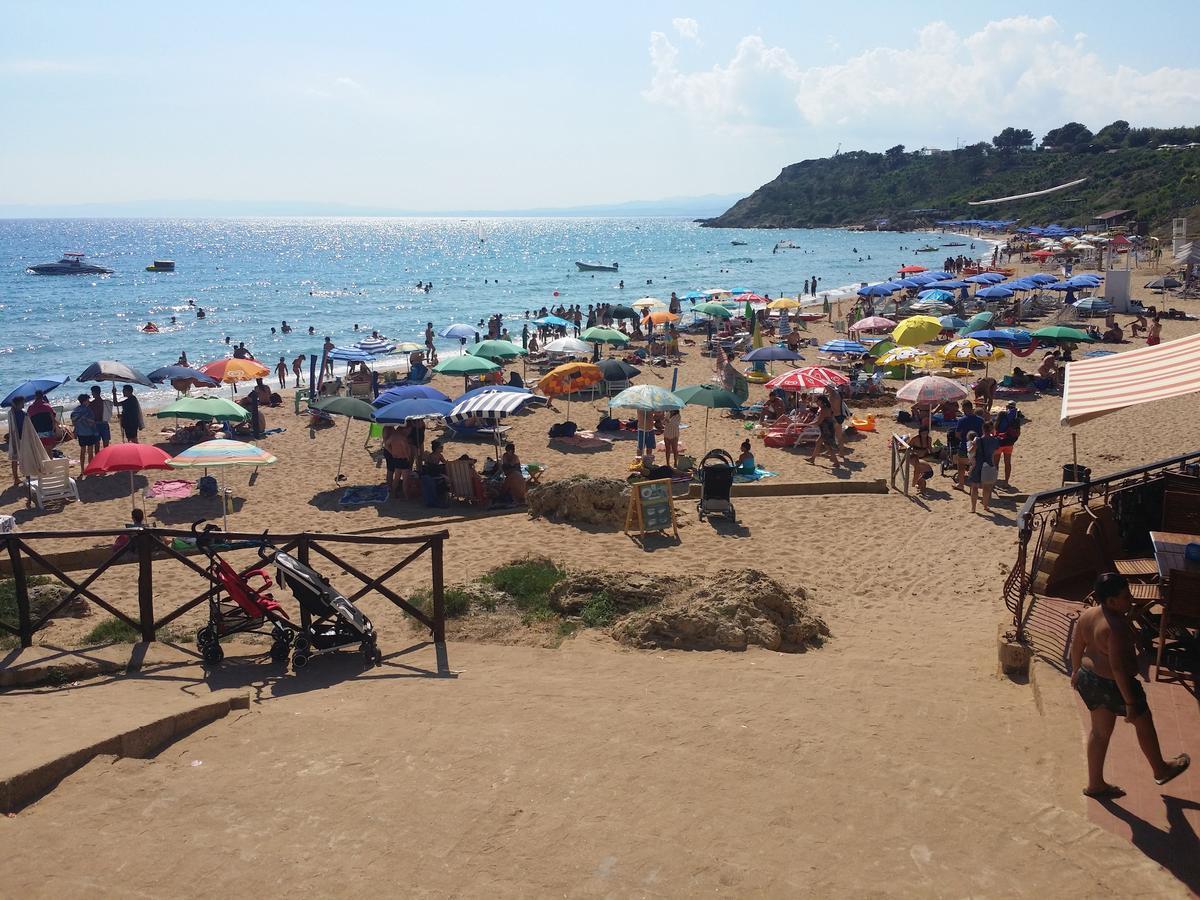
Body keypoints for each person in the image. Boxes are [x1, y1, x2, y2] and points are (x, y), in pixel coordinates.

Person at [1070, 573, 1190, 798]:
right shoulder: (1115, 628)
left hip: (1089, 678)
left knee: (1099, 732)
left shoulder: (1087, 615)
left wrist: (1076, 671)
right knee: (1143, 721)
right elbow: (1117, 668)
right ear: (1111, 601)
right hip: (1114, 685)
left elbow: (1077, 647)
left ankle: (1095, 784)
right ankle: (1161, 769)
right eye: (1125, 597)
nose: (1131, 600)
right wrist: (1130, 703)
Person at [965, 422, 1001, 514]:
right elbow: (995, 452)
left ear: (983, 430)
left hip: (978, 464)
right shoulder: (995, 440)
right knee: (987, 488)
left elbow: (971, 451)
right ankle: (985, 506)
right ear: (991, 429)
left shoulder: (978, 440)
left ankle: (973, 508)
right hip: (989, 464)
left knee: (975, 487)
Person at [807, 395, 845, 468]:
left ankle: (836, 463)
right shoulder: (827, 408)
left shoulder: (824, 410)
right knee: (818, 442)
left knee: (827, 446)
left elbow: (818, 421)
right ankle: (812, 458)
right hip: (827, 428)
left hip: (826, 430)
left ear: (821, 401)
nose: (816, 402)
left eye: (817, 400)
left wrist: (808, 424)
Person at [954, 401, 983, 489]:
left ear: (966, 408)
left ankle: (961, 484)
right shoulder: (980, 420)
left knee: (961, 464)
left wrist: (963, 439)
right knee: (977, 465)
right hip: (978, 446)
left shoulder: (962, 420)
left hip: (964, 445)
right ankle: (978, 483)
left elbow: (957, 434)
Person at [71, 393, 99, 473]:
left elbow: (74, 422)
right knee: (90, 452)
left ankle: (82, 469)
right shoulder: (88, 410)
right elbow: (92, 422)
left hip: (81, 434)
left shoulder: (75, 410)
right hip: (89, 433)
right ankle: (90, 469)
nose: (89, 402)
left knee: (82, 451)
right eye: (88, 400)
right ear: (84, 401)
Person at [994, 402, 1021, 482]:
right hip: (1009, 443)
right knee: (1007, 463)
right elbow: (1018, 433)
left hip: (999, 442)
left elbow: (995, 428)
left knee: (996, 463)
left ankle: (994, 480)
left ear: (1006, 407)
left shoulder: (1001, 415)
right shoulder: (1016, 419)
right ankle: (1006, 482)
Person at [6, 395, 29, 486]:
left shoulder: (11, 413)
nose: (24, 405)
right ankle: (26, 476)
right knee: (24, 458)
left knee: (15, 459)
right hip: (20, 437)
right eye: (22, 403)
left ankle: (16, 478)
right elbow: (25, 426)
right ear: (19, 403)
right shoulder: (21, 413)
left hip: (13, 437)